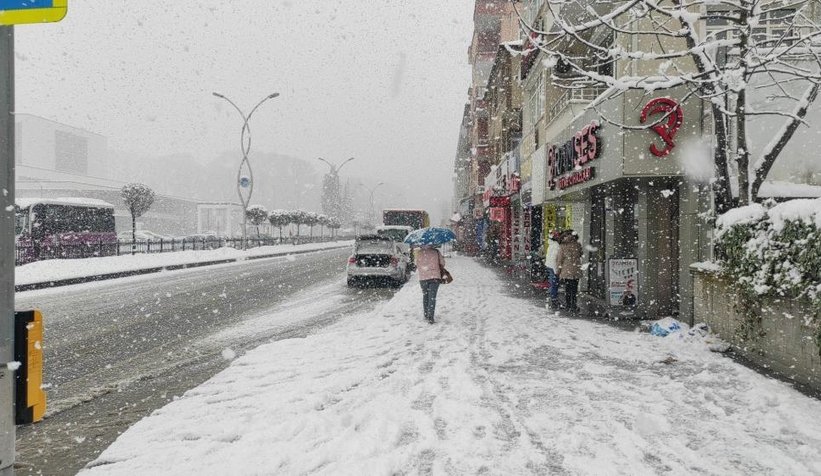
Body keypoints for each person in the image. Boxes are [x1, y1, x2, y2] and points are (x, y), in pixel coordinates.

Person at [415, 245, 446, 324]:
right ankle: (430, 317)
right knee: (432, 297)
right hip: (435, 277)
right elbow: (442, 263)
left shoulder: (419, 253)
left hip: (423, 278)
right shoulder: (436, 252)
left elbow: (417, 265)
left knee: (425, 295)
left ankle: (426, 314)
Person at [557, 230, 583, 313]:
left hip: (567, 270)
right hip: (576, 270)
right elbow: (580, 254)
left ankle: (568, 305)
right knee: (574, 289)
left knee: (568, 289)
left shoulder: (563, 245)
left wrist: (558, 270)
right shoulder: (578, 245)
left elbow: (560, 259)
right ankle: (574, 305)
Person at [544, 230, 562, 309]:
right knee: (555, 283)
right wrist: (556, 270)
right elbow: (554, 258)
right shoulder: (556, 246)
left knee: (552, 282)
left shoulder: (551, 244)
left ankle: (552, 297)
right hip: (553, 266)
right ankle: (554, 298)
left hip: (549, 265)